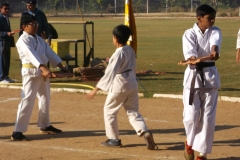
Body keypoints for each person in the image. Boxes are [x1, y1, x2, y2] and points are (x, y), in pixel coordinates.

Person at [86, 24, 157, 150]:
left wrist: (95, 89)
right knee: (133, 111)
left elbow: (110, 73)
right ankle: (144, 131)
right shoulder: (130, 49)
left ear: (116, 38)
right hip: (132, 82)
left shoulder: (118, 53)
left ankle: (113, 139)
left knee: (109, 111)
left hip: (120, 83)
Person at [11, 13, 68, 141]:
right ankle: (17, 131)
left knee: (45, 98)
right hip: (31, 73)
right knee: (27, 100)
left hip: (43, 73)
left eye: (36, 23)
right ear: (24, 27)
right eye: (33, 24)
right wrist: (44, 68)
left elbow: (49, 52)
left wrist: (61, 66)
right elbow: (31, 56)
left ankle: (45, 125)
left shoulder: (38, 38)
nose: (36, 26)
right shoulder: (23, 40)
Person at [181, 4, 222, 160]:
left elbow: (215, 44)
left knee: (208, 117)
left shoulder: (216, 31)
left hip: (210, 77)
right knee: (191, 116)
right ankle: (189, 143)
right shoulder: (189, 33)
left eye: (213, 18)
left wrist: (214, 51)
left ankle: (202, 154)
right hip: (193, 77)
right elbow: (190, 55)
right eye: (209, 18)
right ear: (199, 18)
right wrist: (192, 58)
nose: (212, 21)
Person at [0, 2, 15, 83]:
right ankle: (1, 77)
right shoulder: (0, 17)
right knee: (2, 59)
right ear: (0, 9)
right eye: (5, 9)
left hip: (7, 41)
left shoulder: (6, 17)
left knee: (7, 59)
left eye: (8, 9)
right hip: (1, 41)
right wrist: (7, 33)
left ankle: (6, 76)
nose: (7, 10)